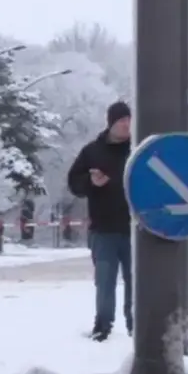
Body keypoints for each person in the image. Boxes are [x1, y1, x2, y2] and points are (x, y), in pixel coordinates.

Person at [66, 100, 133, 341]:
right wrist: (90, 182)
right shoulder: (92, 151)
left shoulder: (137, 150)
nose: (126, 125)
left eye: (128, 120)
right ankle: (102, 326)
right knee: (104, 281)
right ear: (111, 123)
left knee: (135, 279)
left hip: (134, 228)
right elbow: (74, 182)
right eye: (121, 121)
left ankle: (135, 324)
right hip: (103, 228)